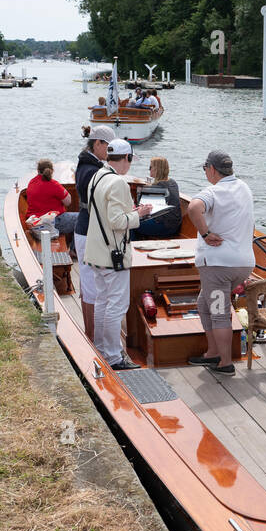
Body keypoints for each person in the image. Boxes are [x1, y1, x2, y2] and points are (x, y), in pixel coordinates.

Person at [83, 137, 152, 370]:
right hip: (113, 254)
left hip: (96, 252)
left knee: (102, 301)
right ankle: (113, 356)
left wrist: (130, 212)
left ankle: (102, 348)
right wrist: (138, 215)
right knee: (117, 306)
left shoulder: (97, 177)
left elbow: (102, 213)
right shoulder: (119, 183)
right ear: (127, 158)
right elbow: (115, 221)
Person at [186, 151, 254, 375]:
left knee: (219, 311)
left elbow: (193, 208)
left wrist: (205, 234)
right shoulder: (244, 188)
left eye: (205, 168)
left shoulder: (212, 192)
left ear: (212, 169)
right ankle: (212, 352)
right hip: (243, 264)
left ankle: (225, 362)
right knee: (204, 303)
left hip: (218, 266)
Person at [74, 124, 116, 339]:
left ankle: (93, 333)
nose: (110, 153)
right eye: (108, 148)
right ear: (97, 143)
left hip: (87, 227)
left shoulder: (86, 166)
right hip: (89, 229)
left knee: (91, 284)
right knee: (91, 286)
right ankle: (92, 337)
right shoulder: (91, 170)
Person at [130, 156, 182, 239]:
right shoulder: (172, 182)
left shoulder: (158, 186)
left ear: (157, 169)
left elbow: (143, 207)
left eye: (150, 167)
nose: (149, 169)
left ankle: (133, 248)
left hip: (165, 226)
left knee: (131, 224)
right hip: (175, 225)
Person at [26, 159, 79, 240]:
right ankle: (74, 248)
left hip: (35, 223)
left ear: (38, 170)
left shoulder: (31, 182)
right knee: (83, 218)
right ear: (52, 171)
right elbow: (68, 202)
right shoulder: (54, 184)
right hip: (53, 222)